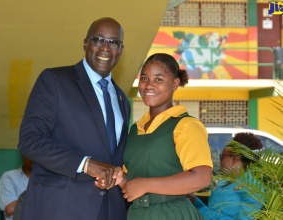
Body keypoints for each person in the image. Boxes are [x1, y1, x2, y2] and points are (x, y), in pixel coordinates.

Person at [18, 17, 130, 220]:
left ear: (121, 49)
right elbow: (30, 140)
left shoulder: (122, 98)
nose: (106, 48)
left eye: (114, 42)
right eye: (98, 40)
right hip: (62, 208)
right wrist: (85, 163)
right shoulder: (54, 80)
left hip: (111, 209)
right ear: (85, 43)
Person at [102, 53, 213, 219]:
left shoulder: (185, 125)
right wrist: (122, 179)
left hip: (172, 214)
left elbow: (202, 177)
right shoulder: (135, 129)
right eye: (144, 78)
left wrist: (146, 185)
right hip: (138, 213)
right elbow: (134, 184)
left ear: (175, 83)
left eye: (158, 79)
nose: (148, 85)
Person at [187, 132, 264, 219]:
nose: (220, 161)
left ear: (235, 159)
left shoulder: (252, 188)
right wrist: (194, 201)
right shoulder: (225, 181)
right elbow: (212, 212)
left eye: (222, 156)